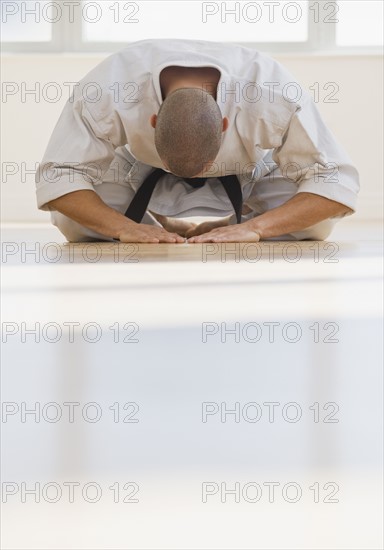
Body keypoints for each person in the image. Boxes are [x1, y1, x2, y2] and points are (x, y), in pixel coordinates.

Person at [35, 38, 359, 244]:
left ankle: (237, 224)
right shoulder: (108, 87)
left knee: (317, 226)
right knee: (73, 224)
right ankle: (150, 225)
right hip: (141, 170)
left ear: (224, 124)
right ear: (153, 121)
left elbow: (335, 183)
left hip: (248, 173)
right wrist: (124, 229)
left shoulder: (273, 92)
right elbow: (59, 175)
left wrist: (256, 229)